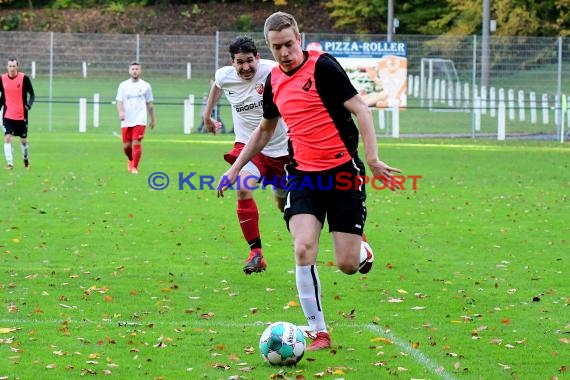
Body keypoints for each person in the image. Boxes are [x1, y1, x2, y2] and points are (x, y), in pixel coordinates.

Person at [216, 12, 401, 350]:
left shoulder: (323, 67)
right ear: (269, 48)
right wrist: (234, 169)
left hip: (343, 173)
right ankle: (319, 331)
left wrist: (372, 158)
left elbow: (362, 109)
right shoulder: (273, 80)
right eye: (276, 47)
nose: (284, 52)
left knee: (346, 264)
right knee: (303, 248)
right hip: (302, 175)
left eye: (289, 44)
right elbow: (264, 130)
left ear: (298, 38)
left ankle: (360, 248)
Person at [204, 36, 290, 275]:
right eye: (239, 62)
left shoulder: (274, 71)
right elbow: (216, 86)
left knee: (285, 206)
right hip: (248, 147)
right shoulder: (225, 75)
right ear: (232, 62)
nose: (245, 67)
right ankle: (256, 253)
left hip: (282, 149)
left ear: (258, 58)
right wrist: (207, 116)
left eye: (249, 61)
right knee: (243, 187)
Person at [115, 61, 155, 174]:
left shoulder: (146, 86)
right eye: (133, 69)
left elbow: (150, 104)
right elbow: (119, 101)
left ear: (140, 71)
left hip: (140, 119)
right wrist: (121, 112)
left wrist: (152, 120)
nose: (135, 71)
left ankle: (134, 167)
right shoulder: (123, 85)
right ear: (129, 71)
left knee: (136, 142)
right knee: (127, 147)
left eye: (137, 69)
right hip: (127, 120)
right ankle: (130, 159)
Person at [0, 57, 35, 170]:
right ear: (7, 67)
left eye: (14, 66)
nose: (12, 68)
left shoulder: (24, 78)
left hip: (21, 115)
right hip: (7, 115)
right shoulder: (2, 79)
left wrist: (28, 105)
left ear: (17, 67)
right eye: (10, 66)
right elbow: (2, 98)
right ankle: (10, 163)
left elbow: (32, 95)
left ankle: (25, 159)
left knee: (23, 140)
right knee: (7, 137)